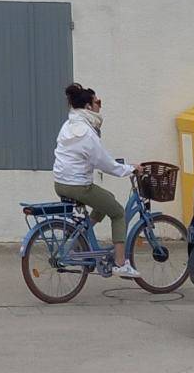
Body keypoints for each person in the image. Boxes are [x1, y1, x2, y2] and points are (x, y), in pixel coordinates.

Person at [53, 83, 143, 278]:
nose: (99, 106)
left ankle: (81, 234)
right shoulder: (86, 132)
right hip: (78, 186)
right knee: (118, 212)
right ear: (88, 106)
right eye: (98, 102)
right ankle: (120, 263)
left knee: (105, 198)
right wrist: (129, 169)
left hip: (61, 183)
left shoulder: (69, 125)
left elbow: (94, 157)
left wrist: (120, 165)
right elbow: (104, 163)